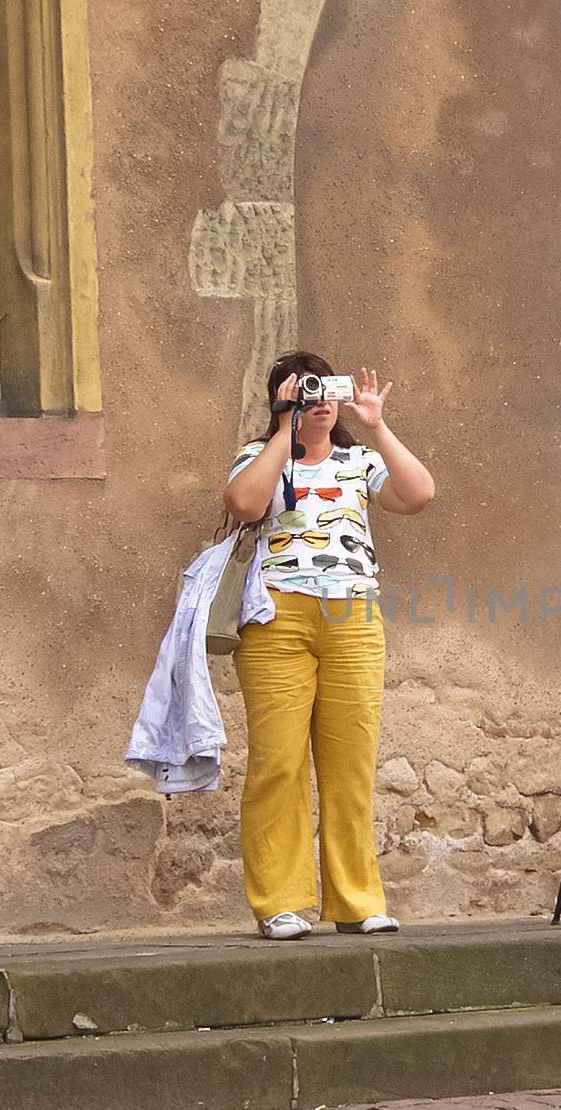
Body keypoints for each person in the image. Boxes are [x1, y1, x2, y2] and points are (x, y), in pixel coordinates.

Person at [221, 351, 436, 941]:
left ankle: (355, 900)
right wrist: (284, 429)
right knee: (278, 763)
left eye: (326, 390)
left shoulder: (359, 460)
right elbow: (244, 504)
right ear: (282, 397)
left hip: (353, 618)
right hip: (275, 619)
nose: (320, 401)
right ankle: (280, 902)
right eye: (306, 391)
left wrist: (377, 424)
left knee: (351, 766)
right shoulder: (257, 455)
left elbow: (418, 494)